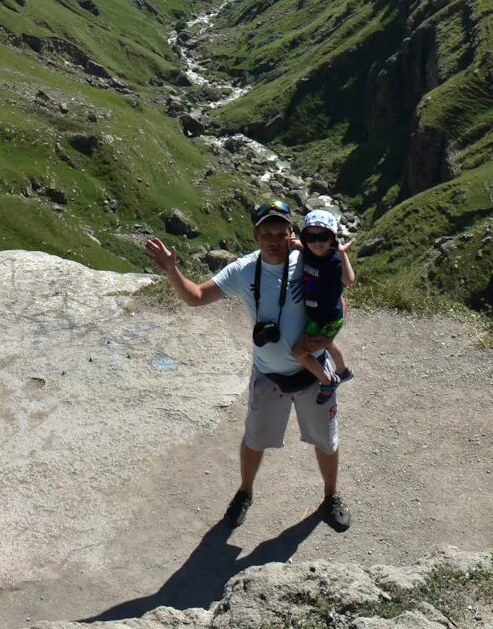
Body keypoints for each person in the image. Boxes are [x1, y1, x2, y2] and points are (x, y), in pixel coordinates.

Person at [143, 198, 351, 533]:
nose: (274, 240)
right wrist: (171, 270)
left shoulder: (308, 260)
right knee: (254, 439)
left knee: (326, 440)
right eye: (267, 233)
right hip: (268, 375)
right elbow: (195, 297)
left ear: (290, 233)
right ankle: (245, 491)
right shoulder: (242, 271)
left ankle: (331, 496)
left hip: (311, 373)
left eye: (281, 232)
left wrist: (328, 339)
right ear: (255, 235)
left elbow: (338, 300)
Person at [291, 208, 355, 402]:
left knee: (299, 353)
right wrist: (292, 240)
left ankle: (328, 381)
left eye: (323, 237)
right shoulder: (307, 250)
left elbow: (349, 280)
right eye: (311, 237)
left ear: (333, 238)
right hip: (317, 313)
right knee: (328, 344)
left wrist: (343, 254)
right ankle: (343, 371)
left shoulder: (334, 260)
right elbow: (300, 244)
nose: (317, 243)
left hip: (326, 319)